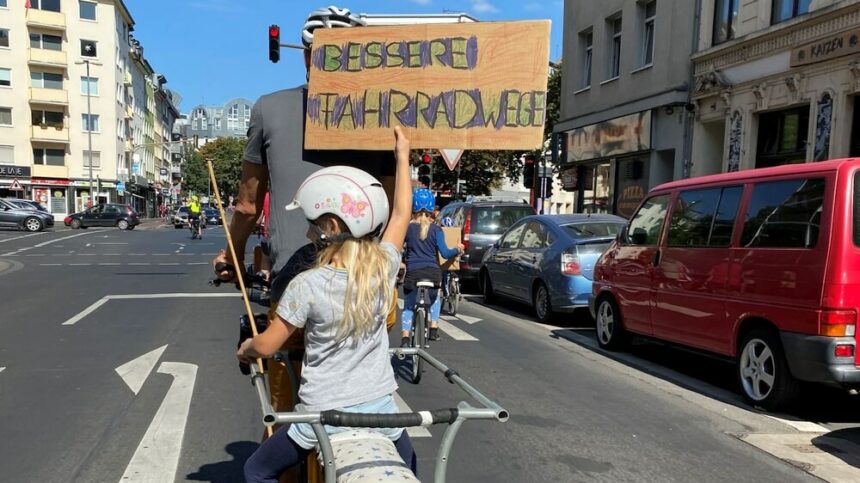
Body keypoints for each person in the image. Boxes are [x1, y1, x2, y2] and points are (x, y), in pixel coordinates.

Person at [239, 126, 416, 482]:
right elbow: (401, 216)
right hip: (381, 411)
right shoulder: (384, 267)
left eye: (312, 224)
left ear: (332, 225)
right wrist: (403, 157)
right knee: (409, 468)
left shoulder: (307, 284)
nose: (308, 233)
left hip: (321, 417)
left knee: (256, 470)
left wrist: (247, 349)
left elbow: (269, 344)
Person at [400, 189, 464, 346]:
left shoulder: (407, 229)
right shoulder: (436, 230)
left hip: (413, 273)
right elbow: (445, 253)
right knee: (435, 297)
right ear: (432, 209)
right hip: (432, 272)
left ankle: (405, 338)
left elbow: (401, 249)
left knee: (408, 305)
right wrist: (458, 248)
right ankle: (434, 328)